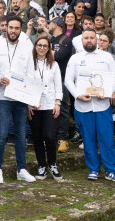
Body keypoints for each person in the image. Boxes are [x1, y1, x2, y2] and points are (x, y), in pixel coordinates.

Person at [64, 29, 115, 182]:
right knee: (88, 139)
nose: (89, 40)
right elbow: (68, 80)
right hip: (83, 106)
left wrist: (108, 92)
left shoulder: (107, 57)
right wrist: (77, 95)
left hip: (102, 105)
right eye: (86, 38)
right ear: (82, 41)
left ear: (97, 40)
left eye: (91, 38)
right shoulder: (75, 59)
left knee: (106, 139)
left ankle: (111, 170)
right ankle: (93, 169)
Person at [0, 17, 37, 183]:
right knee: (2, 133)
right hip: (2, 95)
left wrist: (30, 97)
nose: (12, 31)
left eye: (16, 28)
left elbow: (31, 72)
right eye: (10, 27)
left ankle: (21, 169)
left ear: (20, 29)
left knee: (20, 133)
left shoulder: (27, 47)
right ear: (5, 28)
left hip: (20, 96)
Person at [29, 36, 63, 181]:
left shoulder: (54, 65)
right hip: (34, 106)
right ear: (35, 46)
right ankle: (42, 165)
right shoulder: (29, 64)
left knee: (50, 136)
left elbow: (58, 86)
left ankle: (53, 164)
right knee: (37, 138)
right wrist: (27, 105)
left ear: (49, 48)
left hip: (50, 105)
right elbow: (25, 85)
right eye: (39, 45)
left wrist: (58, 103)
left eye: (45, 46)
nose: (42, 48)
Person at [47, 17, 74, 153]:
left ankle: (63, 138)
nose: (48, 25)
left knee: (62, 108)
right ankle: (52, 136)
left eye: (50, 23)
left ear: (56, 24)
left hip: (63, 79)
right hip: (49, 79)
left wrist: (47, 51)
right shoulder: (51, 40)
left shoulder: (66, 40)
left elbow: (58, 57)